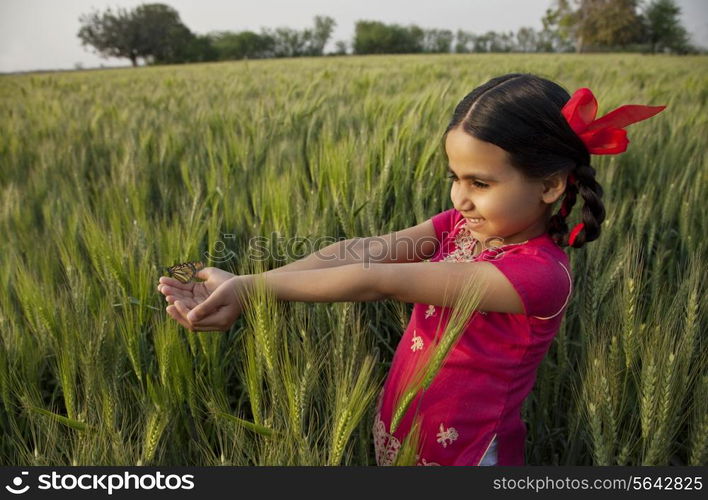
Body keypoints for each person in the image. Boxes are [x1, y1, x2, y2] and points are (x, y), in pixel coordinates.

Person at [156, 73, 666, 466]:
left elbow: (379, 280)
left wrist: (252, 291)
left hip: (466, 454)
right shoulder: (459, 227)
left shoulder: (538, 276)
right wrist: (249, 283)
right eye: (455, 178)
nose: (461, 197)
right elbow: (364, 251)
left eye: (481, 183)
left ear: (551, 185)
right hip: (401, 424)